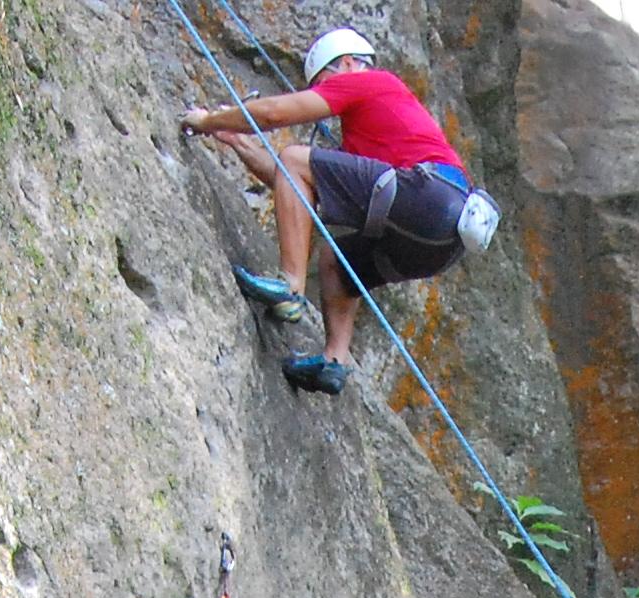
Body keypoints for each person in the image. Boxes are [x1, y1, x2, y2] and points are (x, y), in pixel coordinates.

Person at [179, 28, 494, 396]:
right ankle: (335, 360)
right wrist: (236, 141)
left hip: (427, 194)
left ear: (346, 64)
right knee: (337, 257)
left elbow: (276, 114)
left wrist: (209, 120)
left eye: (324, 84)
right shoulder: (372, 141)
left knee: (297, 157)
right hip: (443, 240)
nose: (325, 98)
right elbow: (294, 184)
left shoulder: (368, 81)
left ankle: (290, 286)